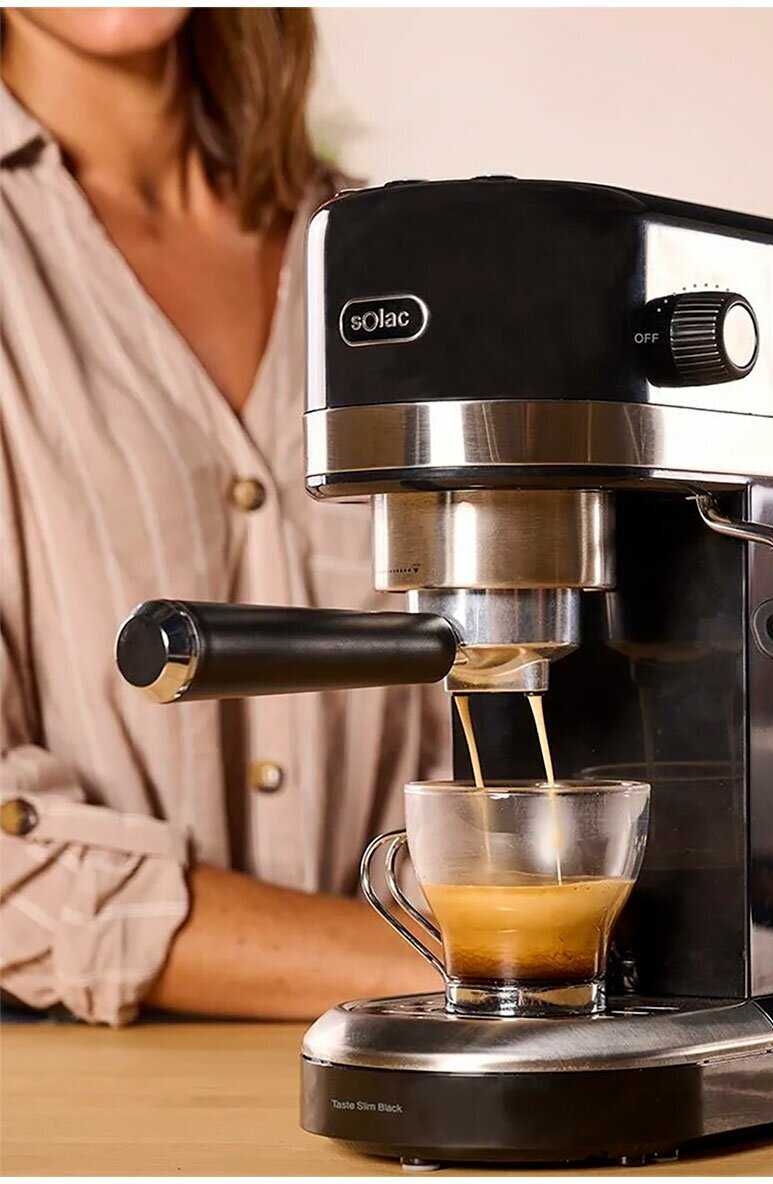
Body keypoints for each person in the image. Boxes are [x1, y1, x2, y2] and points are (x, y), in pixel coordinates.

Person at [0, 8, 449, 1025]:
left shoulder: (389, 257)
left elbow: (487, 726)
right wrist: (457, 963)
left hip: (406, 1082)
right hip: (64, 1096)